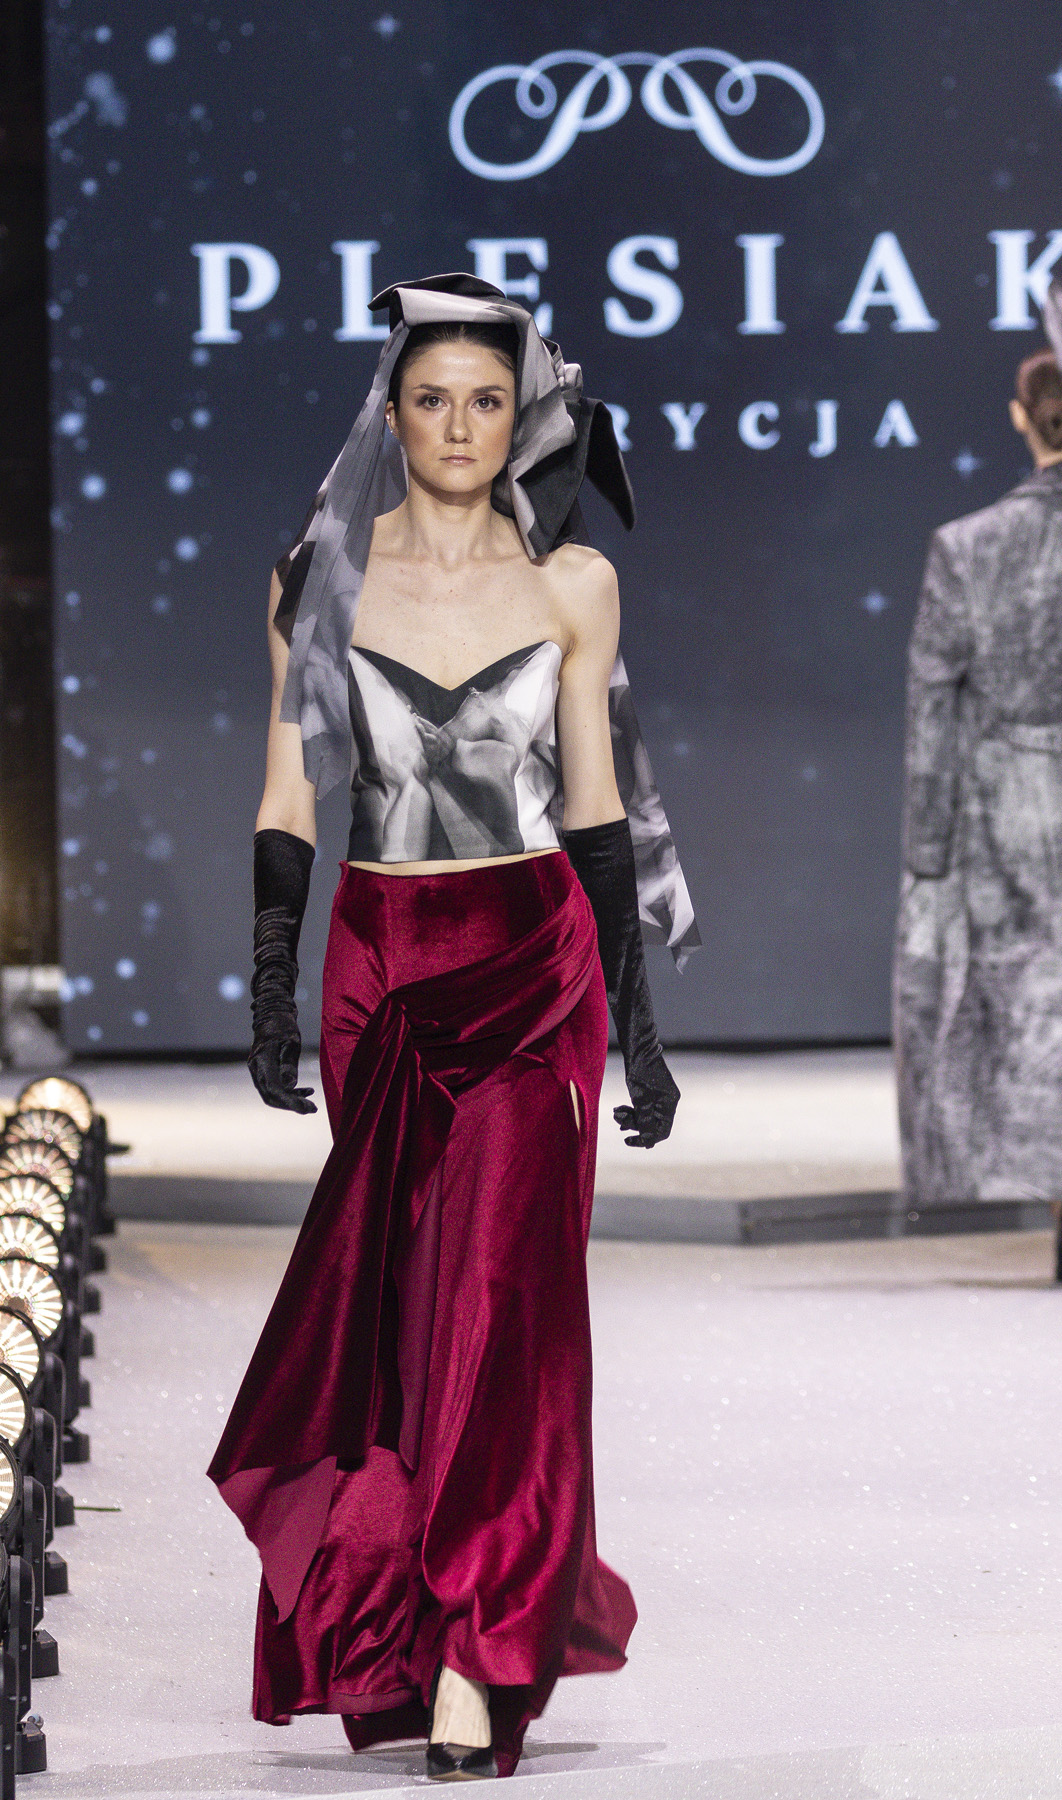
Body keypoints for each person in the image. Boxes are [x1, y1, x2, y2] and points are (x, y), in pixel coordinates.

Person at [208, 273, 698, 1780]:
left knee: (502, 1303)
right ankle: (401, 1623)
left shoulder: (573, 588)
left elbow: (594, 808)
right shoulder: (317, 581)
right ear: (394, 412)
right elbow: (291, 791)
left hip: (530, 964)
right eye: (433, 400)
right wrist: (272, 981)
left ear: (521, 415)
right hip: (380, 967)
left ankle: (484, 1650)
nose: (461, 426)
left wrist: (637, 1021)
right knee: (402, 1312)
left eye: (488, 400)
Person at [894, 284, 1062, 1241]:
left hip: (1009, 810)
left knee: (1024, 1005)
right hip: (1016, 792)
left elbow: (934, 715)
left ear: (1019, 419)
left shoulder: (967, 548)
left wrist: (928, 860)